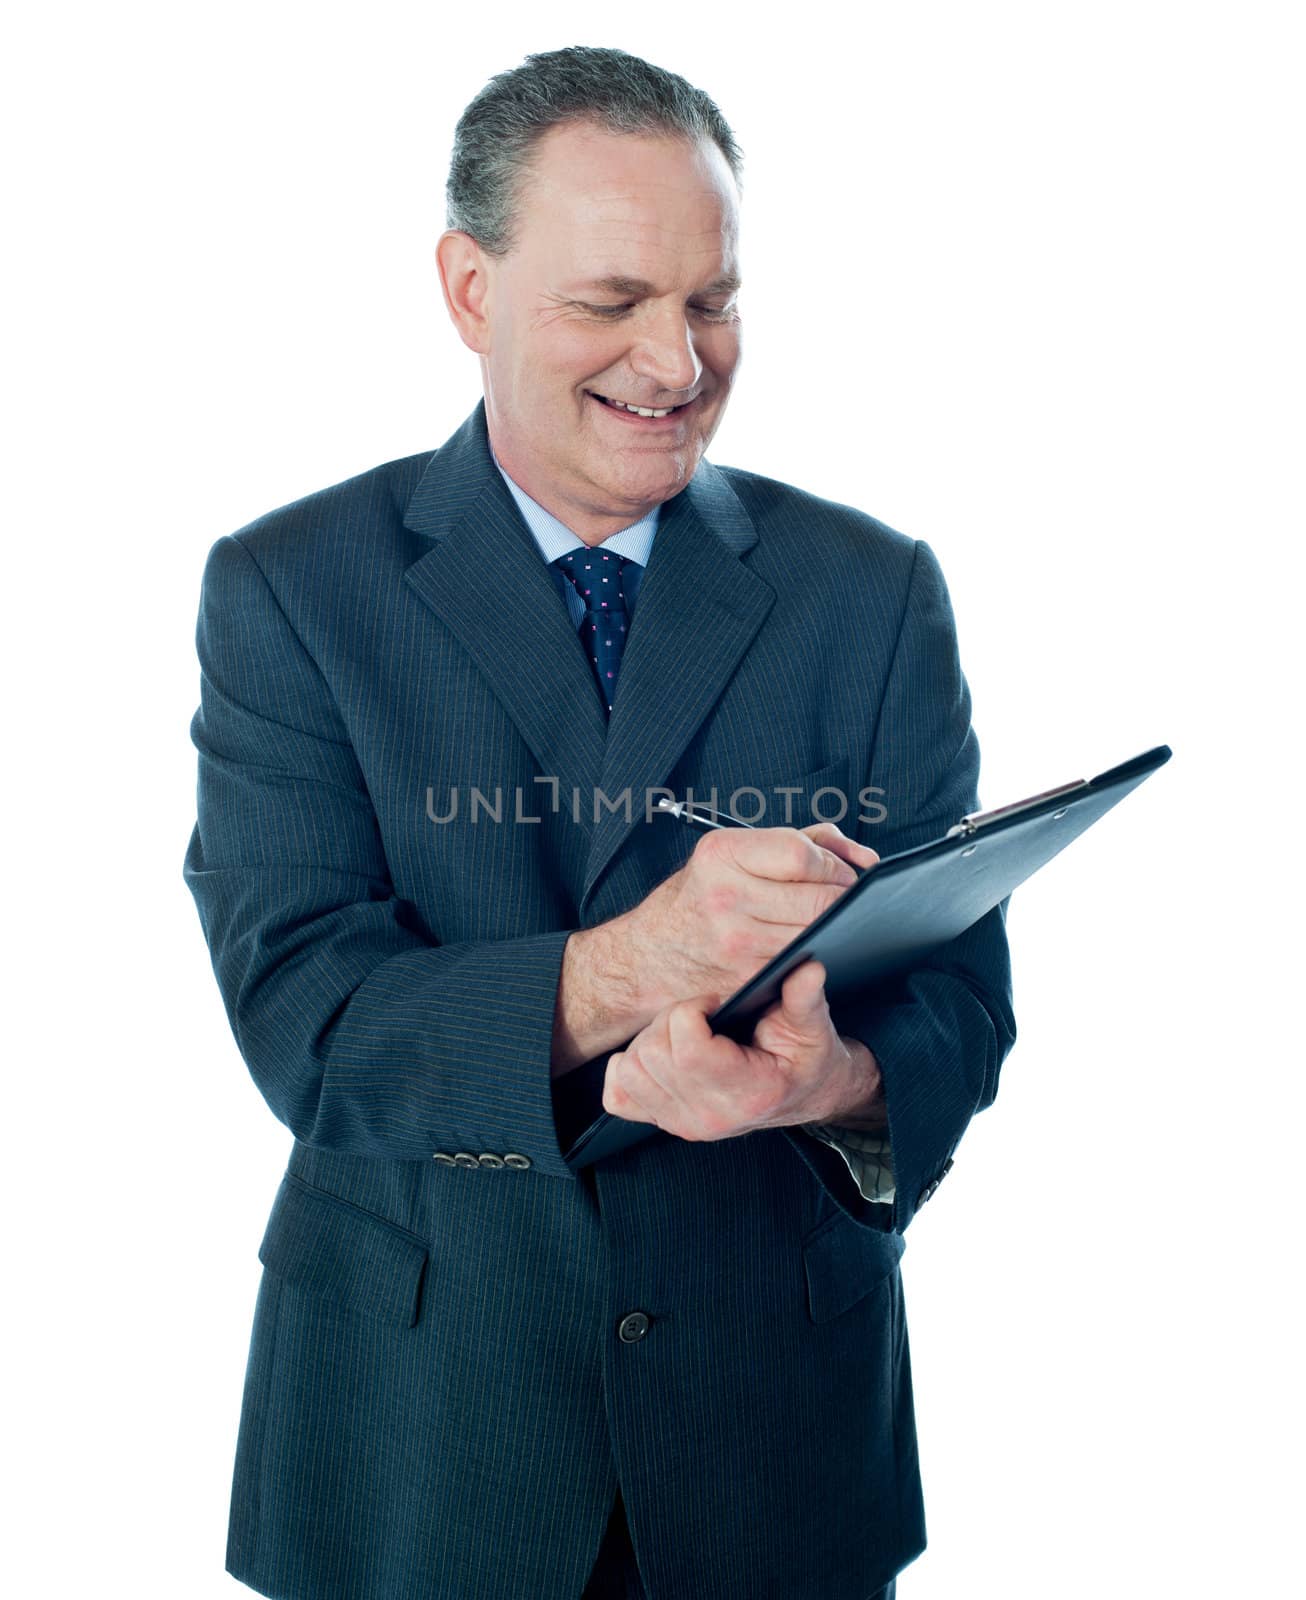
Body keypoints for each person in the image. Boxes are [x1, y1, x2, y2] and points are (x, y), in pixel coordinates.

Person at [183, 45, 1015, 1600]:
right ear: (469, 290)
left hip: (773, 1442)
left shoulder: (869, 590)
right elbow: (309, 1024)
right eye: (610, 301)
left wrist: (825, 1086)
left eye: (711, 300)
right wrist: (638, 963)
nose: (677, 359)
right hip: (420, 1446)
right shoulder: (293, 590)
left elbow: (960, 1008)